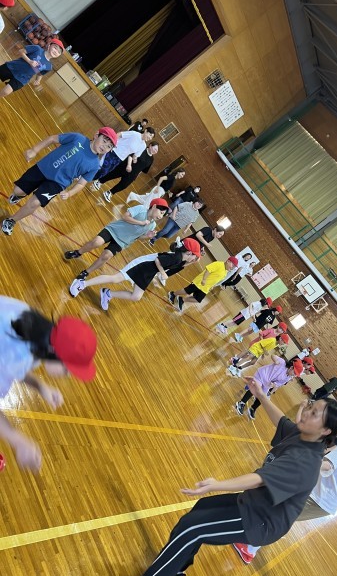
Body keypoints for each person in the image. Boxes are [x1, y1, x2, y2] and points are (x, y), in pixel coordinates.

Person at [104, 377, 337, 576]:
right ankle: (174, 575)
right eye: (311, 407)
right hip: (253, 503)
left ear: (325, 431)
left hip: (261, 521)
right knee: (200, 510)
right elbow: (281, 421)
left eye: (314, 414)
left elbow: (258, 479)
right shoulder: (302, 435)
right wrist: (260, 394)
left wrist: (216, 485)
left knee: (191, 529)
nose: (306, 412)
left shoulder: (306, 462)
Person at [233, 409, 337, 563]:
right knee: (277, 512)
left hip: (321, 499)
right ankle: (249, 541)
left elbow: (327, 466)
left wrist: (302, 463)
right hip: (321, 497)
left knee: (278, 515)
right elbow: (329, 455)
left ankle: (250, 548)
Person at [0, 295, 97, 471]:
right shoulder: (13, 354)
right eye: (68, 369)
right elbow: (10, 363)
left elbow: (17, 368)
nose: (68, 376)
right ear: (55, 352)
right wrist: (18, 440)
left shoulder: (36, 327)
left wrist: (41, 387)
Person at [2, 127, 117, 236]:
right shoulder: (78, 138)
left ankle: (12, 220)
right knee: (17, 190)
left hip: (58, 183)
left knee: (35, 203)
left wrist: (69, 193)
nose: (105, 146)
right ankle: (18, 195)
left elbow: (82, 183)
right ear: (96, 135)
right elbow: (52, 139)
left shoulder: (95, 165)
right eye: (104, 141)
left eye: (109, 146)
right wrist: (34, 150)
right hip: (43, 168)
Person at [68, 239, 201, 311]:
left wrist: (193, 261)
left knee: (136, 296)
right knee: (115, 279)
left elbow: (182, 264)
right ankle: (82, 283)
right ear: (189, 253)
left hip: (148, 272)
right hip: (142, 265)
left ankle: (107, 294)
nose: (194, 259)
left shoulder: (180, 258)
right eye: (195, 256)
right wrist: (162, 273)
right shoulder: (175, 257)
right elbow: (158, 260)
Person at [65, 198, 168, 285]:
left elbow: (138, 237)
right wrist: (140, 222)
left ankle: (86, 272)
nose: (161, 216)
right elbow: (125, 216)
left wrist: (147, 236)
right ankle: (78, 252)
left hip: (122, 242)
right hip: (113, 230)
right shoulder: (141, 209)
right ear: (154, 206)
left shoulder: (152, 225)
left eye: (163, 215)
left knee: (106, 256)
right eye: (161, 212)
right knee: (96, 242)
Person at [235, 356, 304, 420]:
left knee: (263, 396)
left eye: (296, 374)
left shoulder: (288, 377)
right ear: (291, 367)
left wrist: (273, 384)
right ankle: (241, 403)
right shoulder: (282, 363)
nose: (294, 375)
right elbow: (273, 355)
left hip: (267, 383)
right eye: (294, 373)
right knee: (255, 388)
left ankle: (252, 408)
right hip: (262, 374)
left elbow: (279, 383)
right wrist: (276, 361)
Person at [92, 127, 155, 191]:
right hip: (113, 152)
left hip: (120, 159)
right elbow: (119, 134)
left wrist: (135, 161)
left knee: (105, 172)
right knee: (103, 169)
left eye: (151, 137)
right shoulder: (134, 134)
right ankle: (89, 176)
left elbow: (135, 156)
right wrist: (112, 145)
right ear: (146, 131)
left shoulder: (143, 146)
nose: (150, 138)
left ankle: (91, 178)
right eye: (150, 135)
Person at [168, 257, 238, 312]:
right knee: (187, 291)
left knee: (198, 299)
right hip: (200, 282)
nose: (233, 267)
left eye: (234, 267)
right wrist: (204, 279)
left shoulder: (225, 272)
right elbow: (208, 270)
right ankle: (173, 294)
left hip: (206, 288)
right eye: (233, 265)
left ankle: (182, 300)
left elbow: (216, 279)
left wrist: (212, 286)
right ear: (228, 261)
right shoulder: (219, 264)